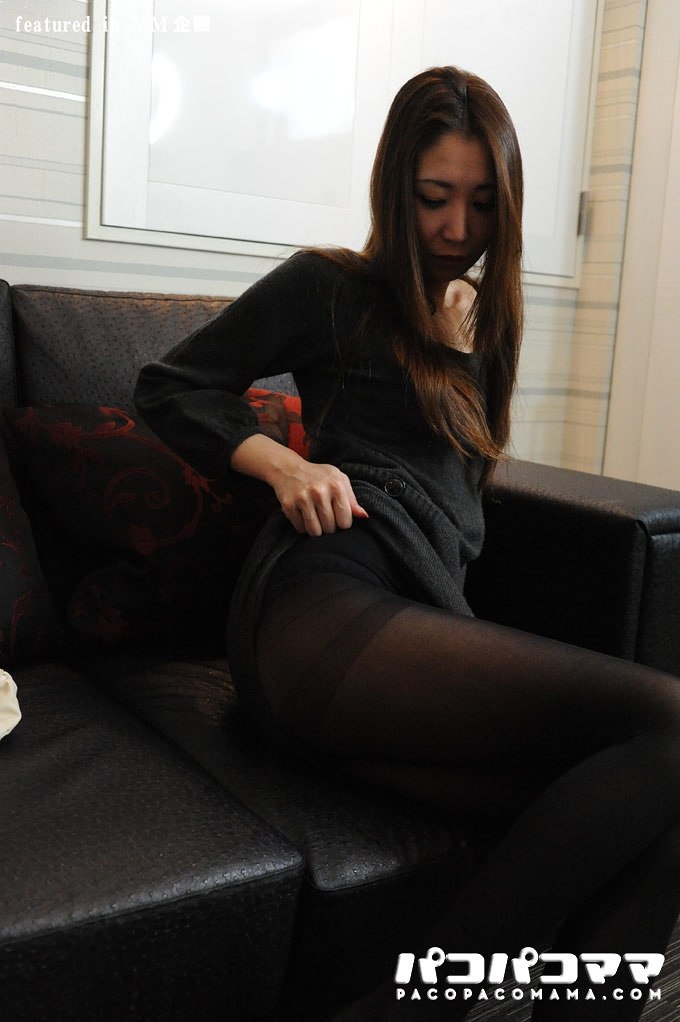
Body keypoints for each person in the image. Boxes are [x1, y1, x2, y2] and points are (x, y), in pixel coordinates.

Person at [134, 66, 680, 1020]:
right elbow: (170, 385)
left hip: (403, 625)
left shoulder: (487, 322)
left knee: (658, 815)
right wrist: (284, 465)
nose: (457, 227)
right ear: (397, 186)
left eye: (481, 202)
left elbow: (458, 510)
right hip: (317, 604)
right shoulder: (331, 287)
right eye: (434, 198)